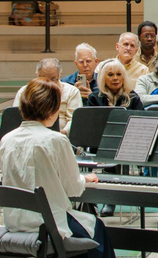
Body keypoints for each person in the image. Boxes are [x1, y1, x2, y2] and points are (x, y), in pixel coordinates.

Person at [0, 79, 115, 258]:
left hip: (15, 223)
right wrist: (83, 179)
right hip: (48, 225)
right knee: (97, 227)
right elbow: (73, 188)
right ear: (52, 109)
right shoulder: (55, 140)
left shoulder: (7, 139)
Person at [88, 59, 145, 217]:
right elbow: (90, 127)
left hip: (128, 144)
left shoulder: (132, 97)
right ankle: (103, 199)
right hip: (101, 144)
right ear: (103, 78)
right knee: (109, 151)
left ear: (124, 77)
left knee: (116, 151)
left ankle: (110, 200)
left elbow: (142, 122)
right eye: (110, 74)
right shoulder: (94, 98)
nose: (115, 78)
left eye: (119, 74)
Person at [14, 58, 82, 135]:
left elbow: (74, 119)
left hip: (63, 135)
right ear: (37, 75)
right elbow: (16, 117)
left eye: (53, 79)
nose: (48, 84)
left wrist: (64, 132)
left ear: (59, 74)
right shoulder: (25, 91)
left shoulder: (71, 91)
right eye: (43, 79)